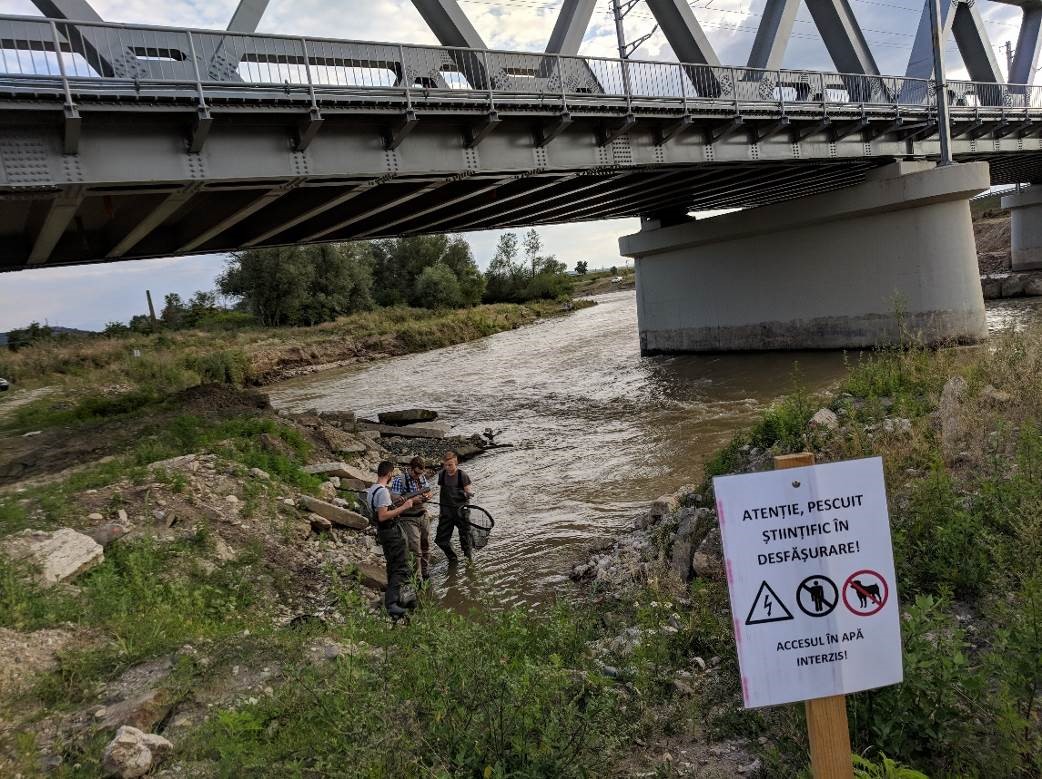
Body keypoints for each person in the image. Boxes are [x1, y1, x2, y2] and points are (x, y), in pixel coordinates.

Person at [366, 461, 420, 619]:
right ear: (389, 474)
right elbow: (383, 516)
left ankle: (397, 599)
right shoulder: (382, 491)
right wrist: (405, 507)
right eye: (392, 474)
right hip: (391, 533)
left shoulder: (372, 489)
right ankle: (392, 604)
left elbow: (380, 512)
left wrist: (396, 505)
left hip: (384, 533)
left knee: (392, 565)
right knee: (401, 566)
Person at [391, 456, 433, 583]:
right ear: (410, 468)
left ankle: (425, 572)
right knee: (415, 549)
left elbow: (429, 491)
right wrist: (412, 500)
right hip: (408, 518)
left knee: (426, 544)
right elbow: (394, 501)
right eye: (416, 473)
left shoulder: (422, 477)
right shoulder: (399, 480)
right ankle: (418, 578)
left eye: (420, 473)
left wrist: (427, 496)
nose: (418, 476)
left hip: (423, 515)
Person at [435, 450, 474, 563]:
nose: (447, 467)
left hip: (461, 512)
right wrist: (441, 511)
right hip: (446, 513)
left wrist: (468, 493)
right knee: (441, 540)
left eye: (450, 465)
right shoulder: (442, 475)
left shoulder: (462, 475)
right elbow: (442, 492)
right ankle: (453, 558)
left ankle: (468, 561)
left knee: (466, 540)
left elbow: (468, 491)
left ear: (456, 463)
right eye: (445, 465)